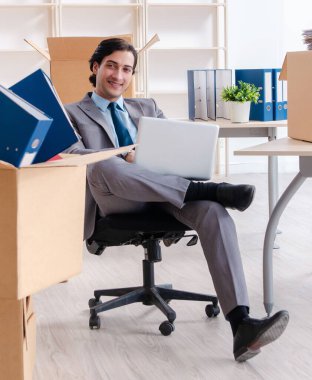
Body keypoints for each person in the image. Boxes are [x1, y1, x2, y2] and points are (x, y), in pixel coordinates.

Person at [64, 38, 289, 362]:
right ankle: (211, 190)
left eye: (127, 69)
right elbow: (71, 155)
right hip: (115, 198)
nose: (118, 75)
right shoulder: (72, 113)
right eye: (112, 65)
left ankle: (242, 325)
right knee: (101, 164)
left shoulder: (147, 108)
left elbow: (174, 150)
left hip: (165, 191)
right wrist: (126, 155)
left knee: (213, 213)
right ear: (96, 67)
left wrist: (173, 160)